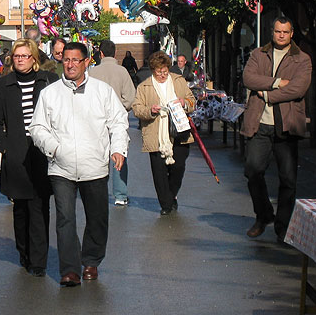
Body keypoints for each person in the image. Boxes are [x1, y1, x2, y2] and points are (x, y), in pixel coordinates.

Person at [29, 42, 129, 287]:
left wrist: (118, 148)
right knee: (65, 219)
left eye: (75, 60)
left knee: (97, 218)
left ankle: (91, 261)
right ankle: (70, 270)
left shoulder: (102, 91)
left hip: (94, 165)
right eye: (66, 60)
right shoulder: (50, 93)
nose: (70, 64)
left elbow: (118, 122)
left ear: (86, 62)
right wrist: (54, 148)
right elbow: (37, 127)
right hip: (61, 167)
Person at [0, 39, 58, 277]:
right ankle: (24, 251)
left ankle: (38, 260)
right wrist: (4, 146)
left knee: (39, 206)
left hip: (42, 152)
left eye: (25, 56)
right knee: (20, 208)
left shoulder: (48, 81)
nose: (19, 60)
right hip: (16, 152)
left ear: (34, 59)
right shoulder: (3, 85)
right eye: (16, 56)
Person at [241, 17, 311, 242]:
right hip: (259, 123)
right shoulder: (258, 54)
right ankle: (263, 216)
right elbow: (248, 78)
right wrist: (277, 82)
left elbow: (298, 89)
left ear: (292, 34)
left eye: (285, 32)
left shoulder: (302, 59)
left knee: (288, 179)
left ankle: (282, 227)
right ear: (272, 32)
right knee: (252, 170)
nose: (281, 35)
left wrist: (268, 94)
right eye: (278, 31)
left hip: (287, 125)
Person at [132, 51, 196, 215]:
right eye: (159, 71)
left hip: (179, 131)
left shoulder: (178, 81)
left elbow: (192, 101)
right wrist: (150, 110)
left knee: (178, 167)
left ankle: (171, 194)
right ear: (153, 70)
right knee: (159, 172)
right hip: (156, 133)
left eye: (165, 71)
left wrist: (184, 102)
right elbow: (137, 109)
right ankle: (166, 204)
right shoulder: (144, 86)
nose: (162, 74)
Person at [89, 40, 136, 206]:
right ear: (115, 53)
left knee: (97, 156)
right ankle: (120, 195)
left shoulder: (93, 72)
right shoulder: (122, 72)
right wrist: (121, 109)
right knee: (119, 154)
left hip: (97, 120)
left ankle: (97, 193)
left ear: (100, 53)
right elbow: (130, 97)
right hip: (117, 120)